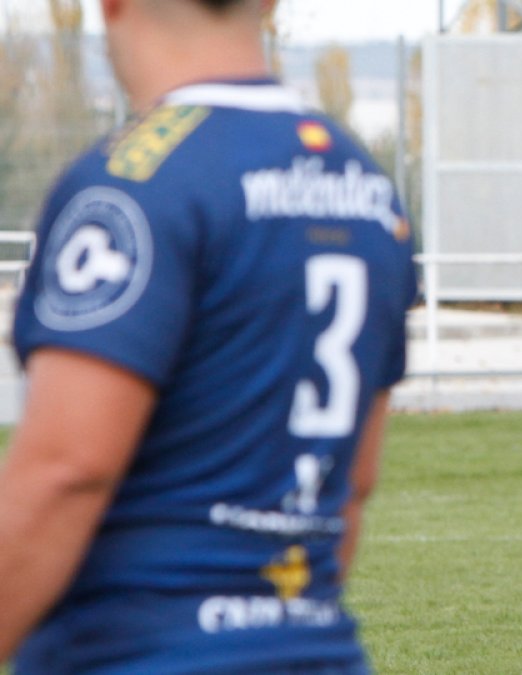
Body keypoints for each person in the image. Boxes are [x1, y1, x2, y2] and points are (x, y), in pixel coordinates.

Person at [0, 0, 417, 671]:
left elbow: (66, 469)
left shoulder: (133, 181)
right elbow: (355, 482)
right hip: (317, 651)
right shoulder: (365, 185)